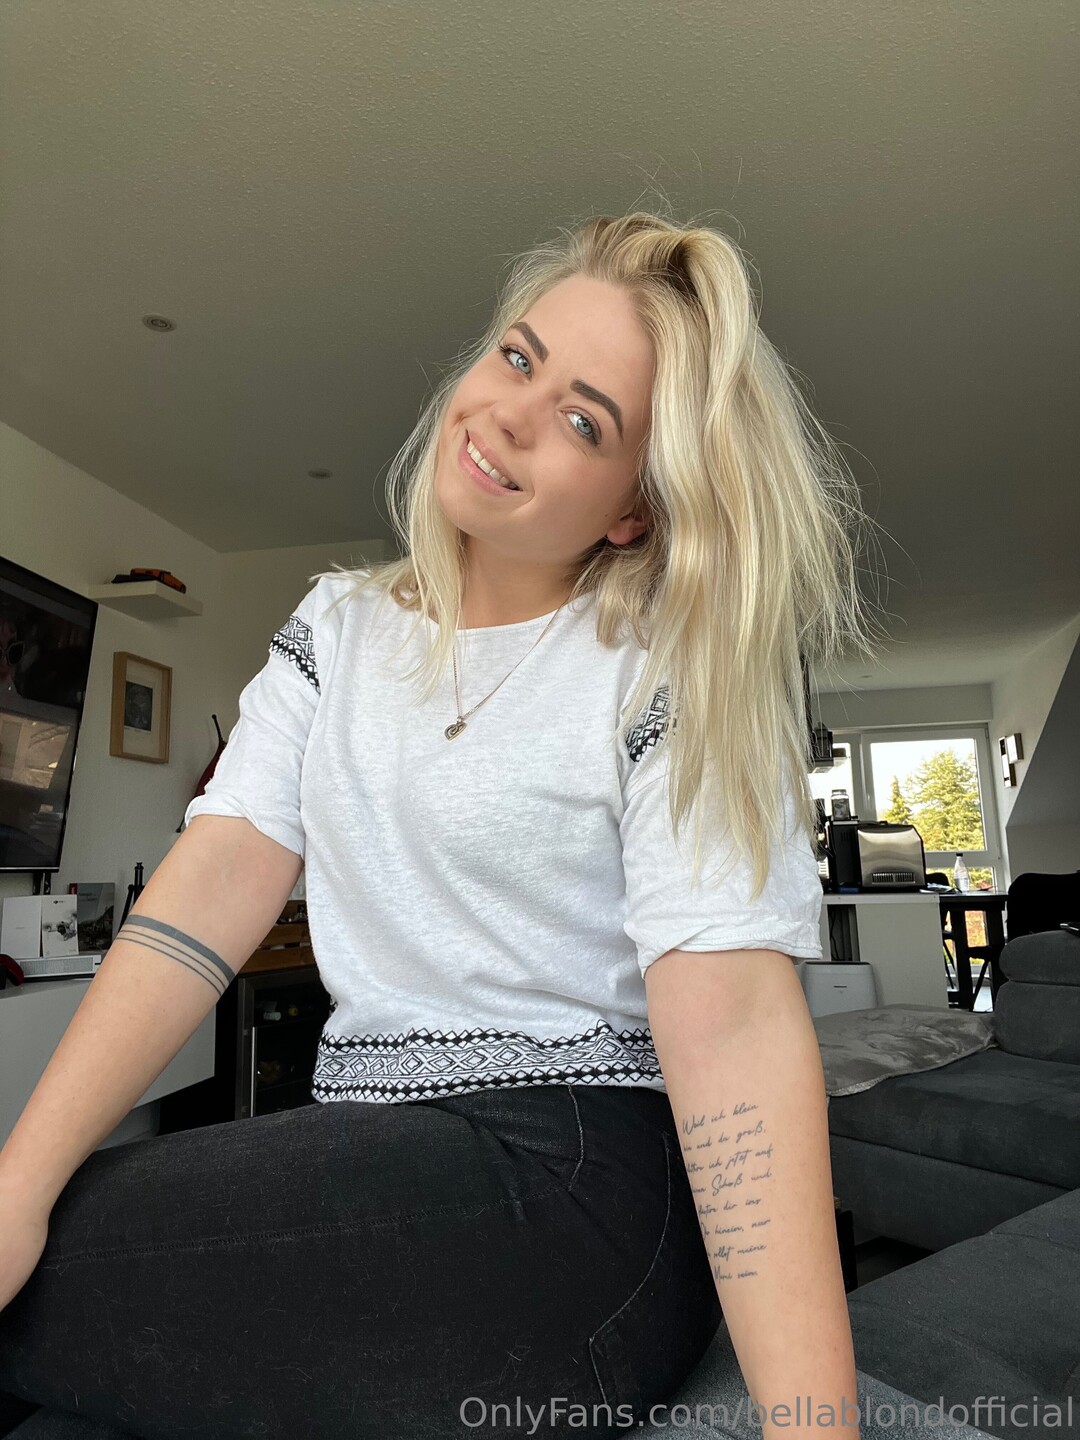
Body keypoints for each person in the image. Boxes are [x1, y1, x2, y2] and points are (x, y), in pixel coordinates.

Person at [0, 210, 884, 1439]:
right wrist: (18, 1182)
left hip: (575, 1188)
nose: (511, 414)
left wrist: (814, 1426)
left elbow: (733, 1024)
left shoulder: (664, 669)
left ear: (633, 511)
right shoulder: (338, 629)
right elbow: (212, 882)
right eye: (517, 357)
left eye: (585, 422)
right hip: (377, 1149)